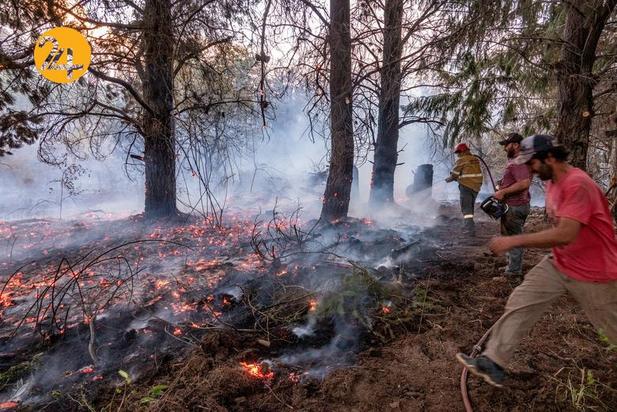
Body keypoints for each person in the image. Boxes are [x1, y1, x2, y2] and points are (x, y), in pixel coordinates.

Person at [456, 134, 617, 387]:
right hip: (561, 262)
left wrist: (514, 240)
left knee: (613, 329)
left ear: (550, 157)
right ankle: (493, 362)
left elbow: (566, 234)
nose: (528, 168)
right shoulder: (551, 181)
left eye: (531, 163)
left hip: (595, 272)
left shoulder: (577, 184)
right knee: (522, 300)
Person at [494, 133, 531, 276]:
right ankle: (511, 266)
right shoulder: (515, 160)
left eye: (506, 144)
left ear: (516, 145)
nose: (504, 148)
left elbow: (524, 183)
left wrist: (503, 192)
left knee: (514, 239)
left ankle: (513, 272)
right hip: (512, 205)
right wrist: (502, 185)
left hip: (515, 207)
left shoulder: (519, 161)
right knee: (509, 237)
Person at [445, 143, 483, 235]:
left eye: (458, 152)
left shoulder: (462, 160)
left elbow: (454, 174)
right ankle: (469, 224)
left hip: (466, 186)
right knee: (470, 206)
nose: (457, 155)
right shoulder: (475, 159)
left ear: (462, 151)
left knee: (466, 209)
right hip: (476, 187)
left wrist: (448, 179)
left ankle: (469, 229)